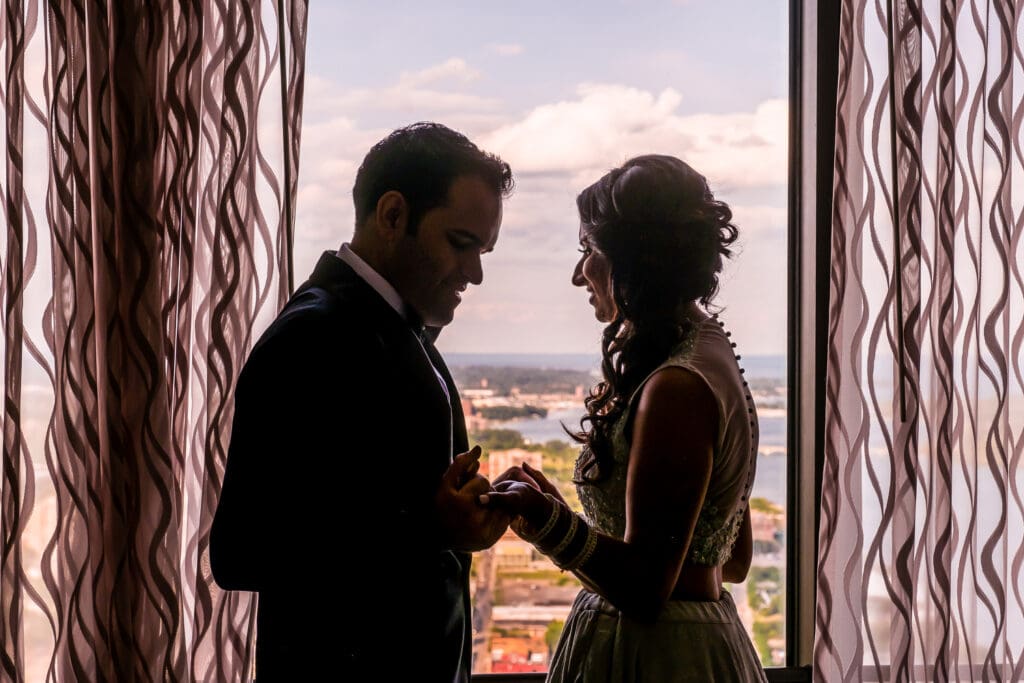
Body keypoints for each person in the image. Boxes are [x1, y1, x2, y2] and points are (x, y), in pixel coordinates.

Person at [210, 122, 514, 682]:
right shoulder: (315, 334)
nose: (474, 274)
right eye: (461, 244)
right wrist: (430, 524)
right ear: (393, 214)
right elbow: (240, 550)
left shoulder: (397, 331)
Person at [483, 155, 767, 681]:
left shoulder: (676, 388)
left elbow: (644, 588)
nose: (577, 274)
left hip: (658, 660)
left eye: (588, 250)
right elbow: (730, 560)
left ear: (635, 261)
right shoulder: (709, 356)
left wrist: (546, 522)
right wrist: (558, 511)